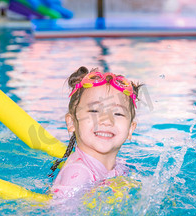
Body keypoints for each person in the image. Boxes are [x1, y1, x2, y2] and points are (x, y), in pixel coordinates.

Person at [50, 66, 141, 199]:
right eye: (94, 111)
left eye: (117, 113)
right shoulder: (78, 173)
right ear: (71, 123)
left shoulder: (121, 166)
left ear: (130, 129)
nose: (106, 120)